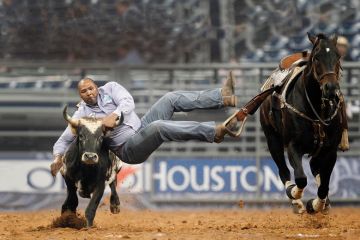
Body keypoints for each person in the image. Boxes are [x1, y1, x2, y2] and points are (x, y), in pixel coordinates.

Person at [50, 73, 239, 176]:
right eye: (84, 91)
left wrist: (114, 115)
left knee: (170, 98)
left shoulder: (111, 88)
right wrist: (57, 158)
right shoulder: (82, 113)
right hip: (128, 149)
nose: (89, 93)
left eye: (90, 88)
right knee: (158, 127)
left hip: (140, 126)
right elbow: (65, 138)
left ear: (96, 87)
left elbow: (128, 102)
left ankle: (223, 96)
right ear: (80, 95)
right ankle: (215, 132)